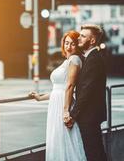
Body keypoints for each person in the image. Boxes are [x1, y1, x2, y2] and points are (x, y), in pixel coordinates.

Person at [29, 30, 86, 161]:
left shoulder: (75, 59)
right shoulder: (67, 60)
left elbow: (70, 86)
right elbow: (57, 89)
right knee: (58, 137)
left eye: (72, 43)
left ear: (77, 46)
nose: (68, 46)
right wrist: (40, 97)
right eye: (66, 43)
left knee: (64, 137)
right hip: (56, 102)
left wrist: (66, 111)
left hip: (63, 104)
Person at [65, 24, 107, 161]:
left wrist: (72, 115)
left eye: (83, 36)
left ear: (93, 40)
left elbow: (86, 91)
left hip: (89, 116)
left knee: (93, 153)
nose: (79, 38)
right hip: (91, 115)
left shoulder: (94, 59)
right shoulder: (90, 57)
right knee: (96, 151)